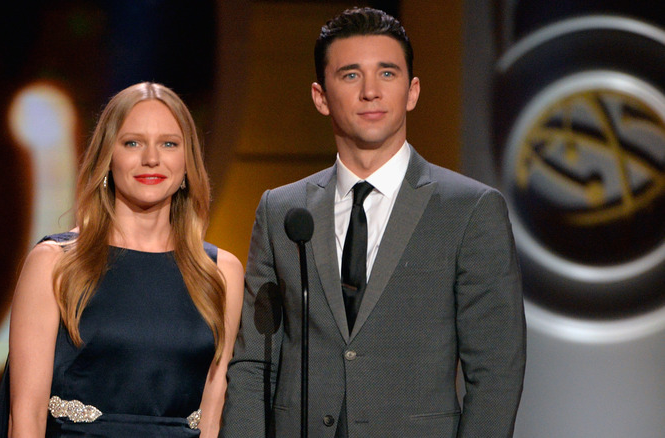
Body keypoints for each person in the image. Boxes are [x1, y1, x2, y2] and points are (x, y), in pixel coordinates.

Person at [221, 7, 525, 438]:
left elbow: (496, 370)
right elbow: (255, 361)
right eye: (350, 75)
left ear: (412, 90)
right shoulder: (282, 211)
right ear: (320, 96)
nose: (370, 92)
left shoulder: (471, 210)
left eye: (387, 74)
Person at [0, 82, 244, 437]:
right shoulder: (55, 264)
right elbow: (25, 416)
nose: (151, 158)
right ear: (108, 156)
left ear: (187, 162)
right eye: (132, 143)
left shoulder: (220, 273)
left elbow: (213, 417)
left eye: (169, 143)